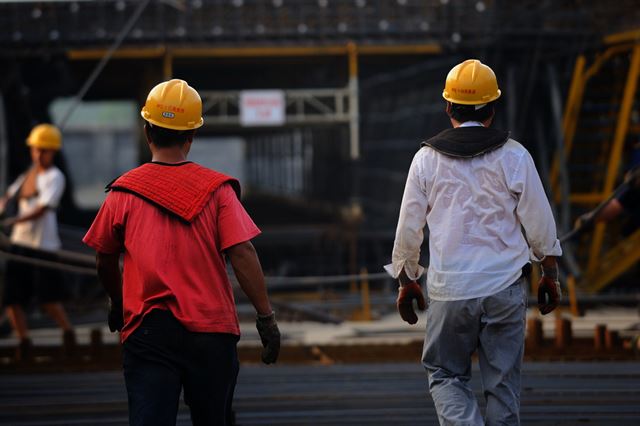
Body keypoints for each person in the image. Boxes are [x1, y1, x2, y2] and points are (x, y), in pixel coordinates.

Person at [82, 79, 280, 426]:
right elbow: (243, 253)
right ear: (191, 136)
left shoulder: (122, 194)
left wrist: (118, 301)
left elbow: (104, 258)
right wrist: (266, 318)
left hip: (148, 332)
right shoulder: (218, 191)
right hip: (211, 332)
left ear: (147, 132)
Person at [385, 59, 562, 425]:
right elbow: (540, 224)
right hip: (505, 289)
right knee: (503, 386)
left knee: (446, 375)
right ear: (492, 109)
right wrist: (550, 273)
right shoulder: (515, 156)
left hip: (450, 291)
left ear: (448, 106)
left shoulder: (425, 161)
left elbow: (408, 231)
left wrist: (407, 281)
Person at [0, 123, 75, 360]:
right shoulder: (26, 176)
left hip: (44, 245)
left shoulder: (55, 177)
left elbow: (42, 209)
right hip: (21, 245)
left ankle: (68, 336)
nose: (39, 154)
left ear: (52, 152)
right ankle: (24, 342)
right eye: (36, 149)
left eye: (44, 150)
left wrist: (13, 222)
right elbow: (8, 197)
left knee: (50, 299)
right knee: (12, 298)